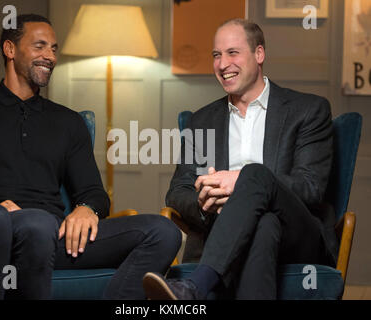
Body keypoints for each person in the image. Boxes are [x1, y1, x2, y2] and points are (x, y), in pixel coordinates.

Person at [0, 14, 181, 300]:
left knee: (163, 231)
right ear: (10, 50)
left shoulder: (68, 122)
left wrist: (87, 208)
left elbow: (94, 193)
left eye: (54, 49)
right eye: (39, 46)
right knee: (35, 223)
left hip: (53, 239)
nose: (49, 56)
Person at [143, 19, 338, 300]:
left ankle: (196, 286)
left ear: (259, 54)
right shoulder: (202, 121)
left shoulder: (307, 110)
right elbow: (177, 191)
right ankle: (195, 286)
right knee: (264, 224)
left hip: (297, 235)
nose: (223, 64)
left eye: (233, 53)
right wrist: (202, 203)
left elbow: (310, 188)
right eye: (216, 55)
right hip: (227, 231)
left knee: (254, 174)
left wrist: (240, 181)